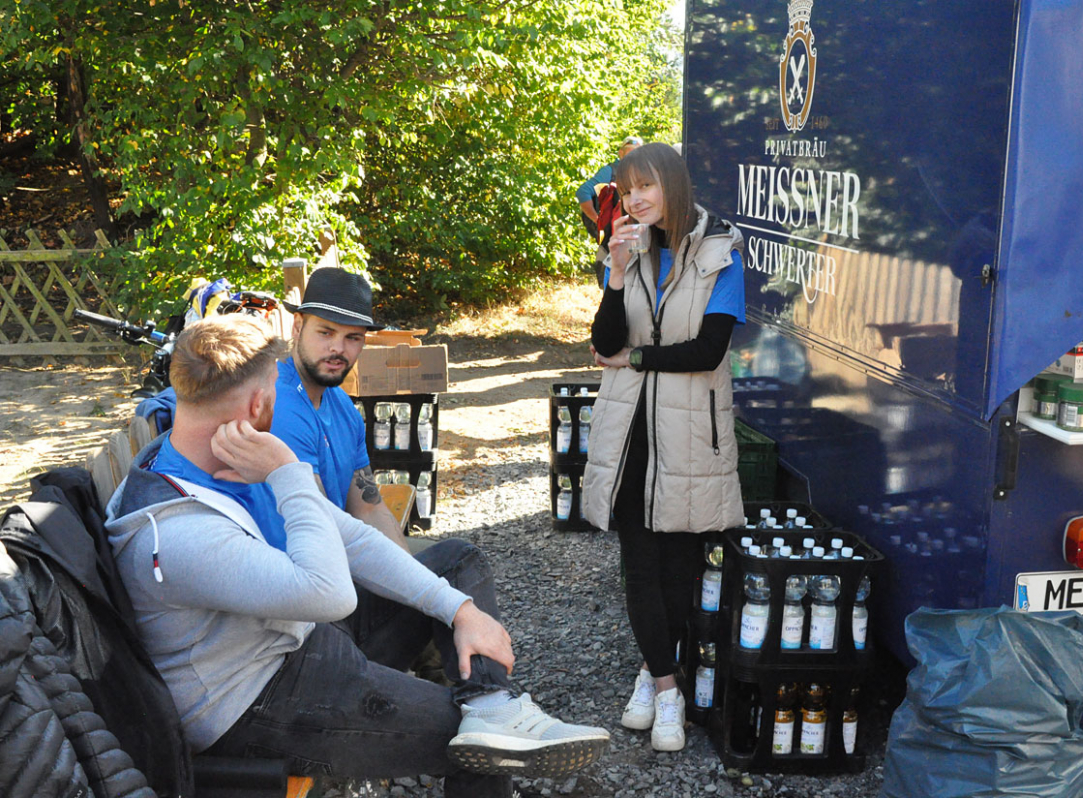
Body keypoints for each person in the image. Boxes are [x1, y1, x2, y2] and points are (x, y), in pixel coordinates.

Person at [105, 315, 609, 796]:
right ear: (258, 404)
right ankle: (492, 722)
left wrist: (460, 609)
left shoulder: (213, 456)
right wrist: (288, 473)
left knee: (455, 563)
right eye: (276, 389)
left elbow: (349, 535)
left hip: (290, 641)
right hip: (249, 705)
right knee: (478, 745)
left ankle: (492, 701)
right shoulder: (177, 533)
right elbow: (331, 595)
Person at [581, 142, 746, 752]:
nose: (634, 200)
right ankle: (665, 687)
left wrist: (637, 359)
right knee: (639, 567)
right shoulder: (628, 247)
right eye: (626, 191)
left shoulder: (721, 251)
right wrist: (617, 272)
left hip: (690, 435)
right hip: (629, 433)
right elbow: (604, 342)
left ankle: (655, 671)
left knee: (678, 569)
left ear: (673, 183)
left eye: (645, 186)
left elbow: (708, 351)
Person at [270, 267, 415, 551]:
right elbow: (318, 523)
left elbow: (369, 507)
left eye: (353, 337)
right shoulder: (280, 403)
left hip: (340, 550)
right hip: (301, 564)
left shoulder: (343, 406)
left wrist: (413, 572)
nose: (338, 349)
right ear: (297, 327)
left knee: (454, 557)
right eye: (326, 332)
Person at [576, 135, 643, 241]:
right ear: (621, 153)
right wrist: (599, 222)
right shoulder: (610, 171)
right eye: (630, 152)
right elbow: (583, 192)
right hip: (613, 237)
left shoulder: (642, 174)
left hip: (634, 235)